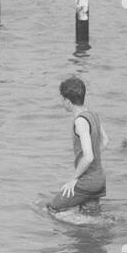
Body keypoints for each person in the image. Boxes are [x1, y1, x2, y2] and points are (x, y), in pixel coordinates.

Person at [46, 77, 107, 216]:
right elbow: (105, 141)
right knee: (90, 215)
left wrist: (74, 178)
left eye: (62, 99)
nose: (62, 103)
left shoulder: (80, 121)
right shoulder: (93, 114)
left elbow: (89, 156)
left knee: (52, 209)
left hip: (88, 181)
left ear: (67, 101)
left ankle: (79, 223)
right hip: (99, 179)